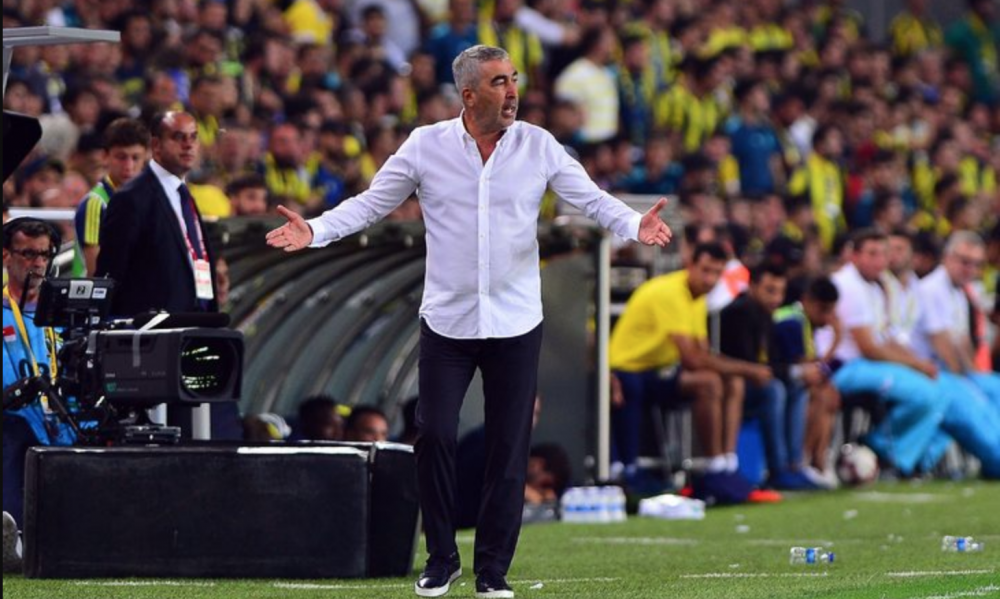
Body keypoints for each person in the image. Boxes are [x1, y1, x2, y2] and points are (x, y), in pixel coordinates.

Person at [267, 45, 672, 599]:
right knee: (434, 434)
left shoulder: (538, 145)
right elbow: (370, 204)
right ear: (469, 94)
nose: (513, 92)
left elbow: (592, 200)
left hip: (516, 321)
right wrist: (315, 230)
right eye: (500, 82)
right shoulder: (425, 145)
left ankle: (492, 571)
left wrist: (633, 223)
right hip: (447, 322)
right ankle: (441, 558)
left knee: (509, 448)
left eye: (514, 79)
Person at [609, 243, 765, 503]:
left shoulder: (698, 296)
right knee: (709, 382)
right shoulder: (670, 292)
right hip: (629, 371)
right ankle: (714, 467)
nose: (710, 279)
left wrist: (741, 372)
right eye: (705, 270)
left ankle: (727, 463)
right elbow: (693, 360)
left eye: (717, 273)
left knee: (733, 382)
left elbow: (703, 352)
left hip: (658, 370)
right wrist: (750, 370)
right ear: (689, 265)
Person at [829, 229, 948, 476]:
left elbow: (886, 338)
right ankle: (879, 448)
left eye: (883, 254)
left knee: (940, 391)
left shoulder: (873, 286)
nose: (879, 261)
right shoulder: (848, 285)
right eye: (871, 254)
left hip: (868, 366)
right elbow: (869, 347)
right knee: (924, 394)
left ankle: (897, 460)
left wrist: (919, 362)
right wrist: (915, 365)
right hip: (844, 367)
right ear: (854, 256)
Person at [96, 111, 220, 317]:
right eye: (178, 137)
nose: (188, 145)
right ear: (156, 145)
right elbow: (110, 274)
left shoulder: (185, 195)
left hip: (196, 322)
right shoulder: (131, 198)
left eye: (193, 137)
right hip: (151, 328)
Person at [719, 262, 819, 490]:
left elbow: (771, 364)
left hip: (757, 380)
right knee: (775, 390)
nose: (776, 298)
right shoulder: (739, 312)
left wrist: (795, 372)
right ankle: (778, 468)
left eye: (780, 292)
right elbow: (749, 362)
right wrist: (790, 371)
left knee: (797, 388)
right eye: (770, 291)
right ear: (752, 286)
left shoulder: (766, 315)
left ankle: (795, 465)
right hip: (734, 384)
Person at [3, 218, 75, 532]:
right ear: (6, 256)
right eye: (29, 254)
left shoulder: (67, 314)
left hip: (63, 424)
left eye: (44, 254)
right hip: (12, 425)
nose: (38, 263)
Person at [772, 277, 842, 488]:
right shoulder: (792, 322)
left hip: (785, 376)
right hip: (776, 377)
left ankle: (818, 462)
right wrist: (837, 340)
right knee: (819, 394)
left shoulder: (805, 323)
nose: (827, 318)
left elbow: (812, 366)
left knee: (829, 393)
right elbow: (808, 370)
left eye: (831, 311)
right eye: (823, 310)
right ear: (807, 301)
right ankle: (800, 461)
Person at [72, 117, 150, 276]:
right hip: (96, 291)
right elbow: (95, 272)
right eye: (121, 157)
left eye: (135, 157)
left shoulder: (150, 200)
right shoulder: (95, 203)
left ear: (146, 158)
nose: (129, 166)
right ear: (105, 156)